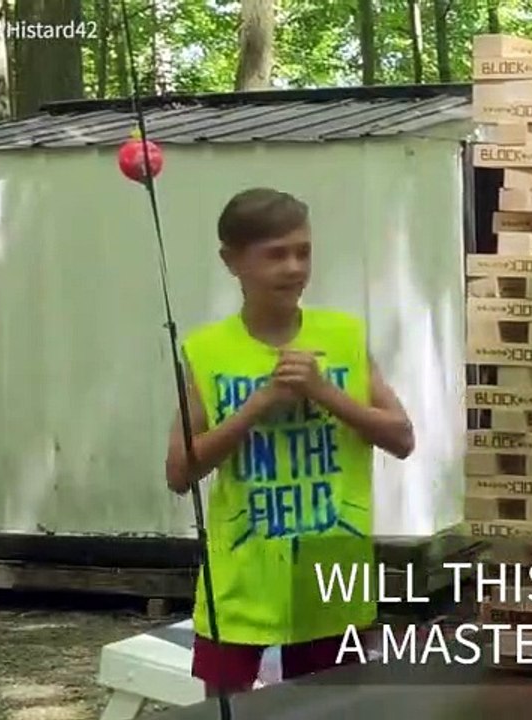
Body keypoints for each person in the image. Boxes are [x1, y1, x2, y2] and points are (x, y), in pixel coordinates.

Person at [164, 187, 415, 696]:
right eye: (275, 254)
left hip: (331, 585)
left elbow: (402, 438)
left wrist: (323, 391)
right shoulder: (207, 351)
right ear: (232, 262)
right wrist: (257, 406)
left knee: (331, 712)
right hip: (238, 590)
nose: (294, 267)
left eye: (303, 251)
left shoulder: (343, 335)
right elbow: (178, 472)